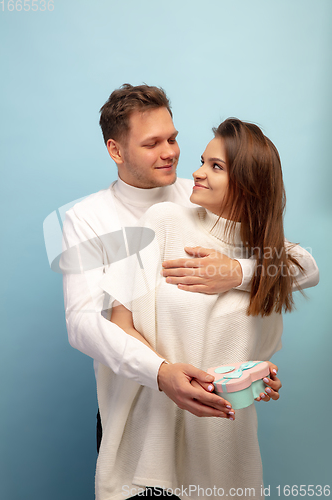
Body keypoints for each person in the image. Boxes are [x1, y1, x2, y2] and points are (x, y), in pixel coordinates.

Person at [61, 84, 318, 495]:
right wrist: (163, 374)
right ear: (116, 150)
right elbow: (84, 324)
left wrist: (236, 271)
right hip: (135, 404)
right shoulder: (87, 218)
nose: (172, 153)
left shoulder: (201, 195)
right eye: (152, 143)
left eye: (174, 138)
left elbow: (303, 267)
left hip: (213, 425)